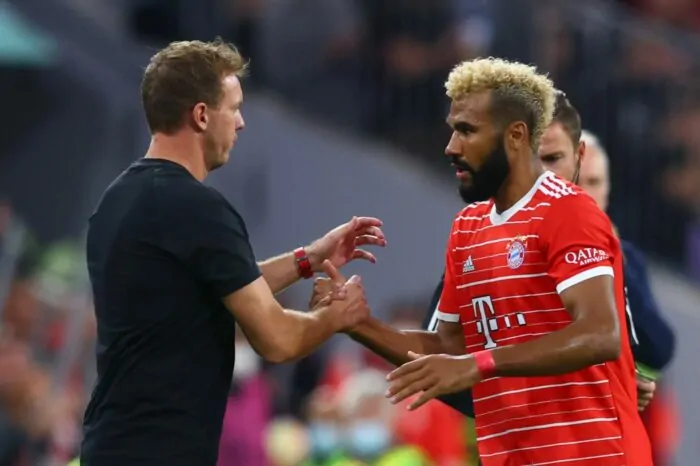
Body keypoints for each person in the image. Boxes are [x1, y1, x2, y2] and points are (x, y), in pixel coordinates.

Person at [316, 58, 652, 465]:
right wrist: (358, 324)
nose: (451, 147)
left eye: (467, 130)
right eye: (452, 129)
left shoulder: (568, 211)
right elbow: (448, 348)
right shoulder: (468, 227)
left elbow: (600, 334)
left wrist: (478, 364)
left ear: (516, 135)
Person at [79, 39, 385, 466]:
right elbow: (277, 340)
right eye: (234, 108)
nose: (241, 123)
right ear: (202, 115)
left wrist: (309, 259)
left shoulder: (117, 201)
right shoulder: (198, 208)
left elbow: (210, 286)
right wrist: (336, 316)